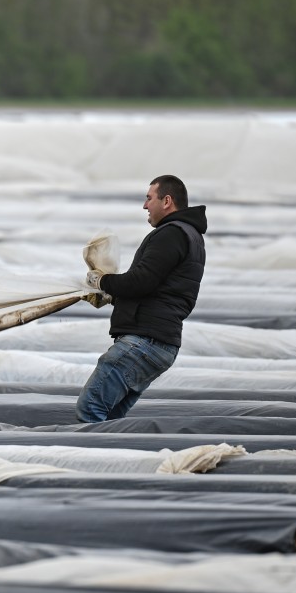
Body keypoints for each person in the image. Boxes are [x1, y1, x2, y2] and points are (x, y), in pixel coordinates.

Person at [76, 174, 206, 422]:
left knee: (90, 409)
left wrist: (101, 281)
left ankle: (92, 459)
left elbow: (141, 281)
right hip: (162, 343)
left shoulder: (172, 234)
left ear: (167, 201)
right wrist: (113, 296)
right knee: (110, 419)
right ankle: (113, 456)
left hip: (145, 341)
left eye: (149, 198)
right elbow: (159, 290)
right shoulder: (191, 236)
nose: (145, 206)